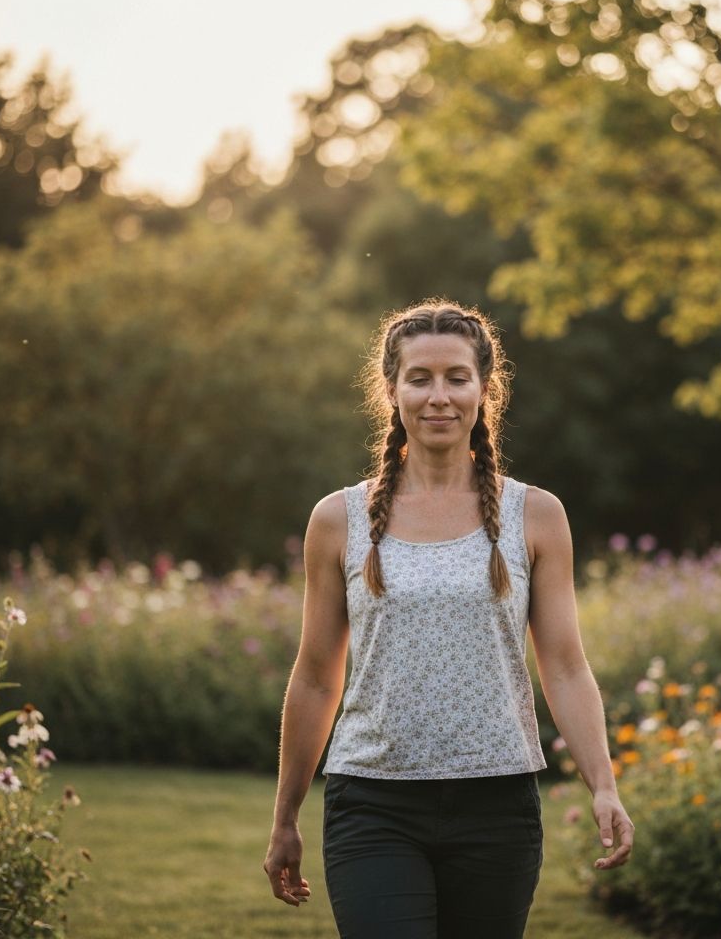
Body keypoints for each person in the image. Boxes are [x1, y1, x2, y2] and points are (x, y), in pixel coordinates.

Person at [263, 298, 634, 938]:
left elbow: (566, 667)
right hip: (372, 801)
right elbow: (318, 676)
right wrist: (285, 815)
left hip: (498, 804)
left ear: (485, 390)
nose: (439, 397)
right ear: (391, 390)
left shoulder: (536, 515)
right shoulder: (338, 519)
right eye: (420, 378)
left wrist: (603, 783)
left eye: (456, 378)